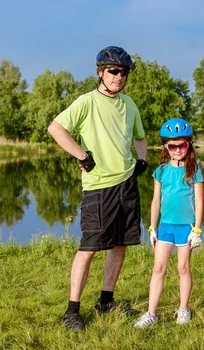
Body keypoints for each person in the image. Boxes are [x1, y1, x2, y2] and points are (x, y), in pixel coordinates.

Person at [47, 46, 148, 331]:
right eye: (113, 71)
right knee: (89, 248)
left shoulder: (129, 105)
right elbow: (56, 129)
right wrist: (82, 155)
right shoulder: (87, 102)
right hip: (98, 187)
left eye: (123, 72)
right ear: (100, 72)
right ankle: (72, 311)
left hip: (126, 184)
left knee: (120, 245)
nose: (119, 76)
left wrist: (142, 159)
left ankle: (106, 301)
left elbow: (140, 137)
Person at [134, 118, 204, 328]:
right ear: (166, 146)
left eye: (181, 145)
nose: (177, 149)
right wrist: (152, 227)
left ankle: (183, 309)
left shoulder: (194, 170)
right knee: (158, 268)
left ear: (188, 144)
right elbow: (156, 201)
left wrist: (198, 229)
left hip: (186, 228)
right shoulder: (161, 171)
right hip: (165, 227)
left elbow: (200, 202)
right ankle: (151, 313)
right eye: (172, 146)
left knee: (183, 267)